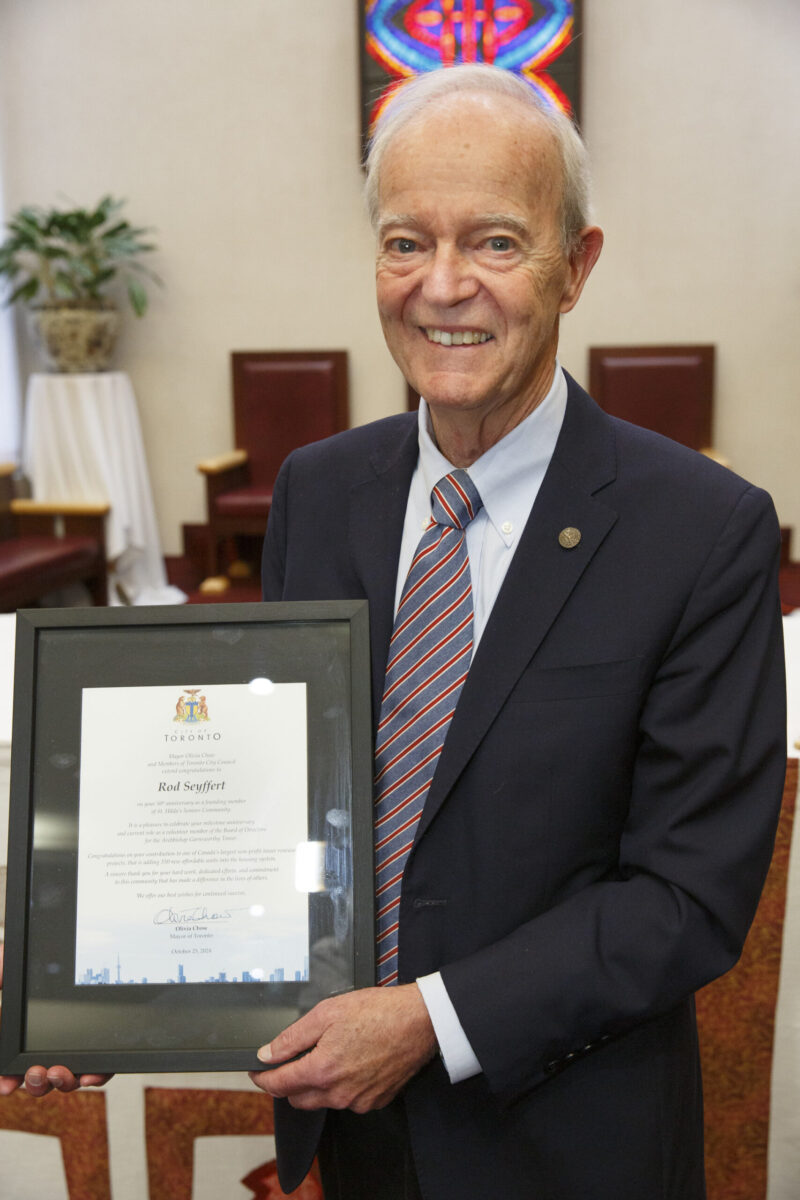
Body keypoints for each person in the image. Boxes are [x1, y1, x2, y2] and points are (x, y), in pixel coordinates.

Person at [1, 64, 786, 1199]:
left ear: (577, 265)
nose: (442, 286)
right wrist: (111, 987)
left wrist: (429, 1019)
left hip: (565, 1144)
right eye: (406, 242)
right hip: (352, 1139)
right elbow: (271, 800)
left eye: (496, 242)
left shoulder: (701, 530)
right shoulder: (318, 492)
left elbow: (687, 899)